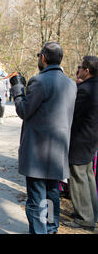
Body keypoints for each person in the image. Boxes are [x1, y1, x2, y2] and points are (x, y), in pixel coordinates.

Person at [10, 42, 77, 234]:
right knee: (51, 194)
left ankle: (41, 231)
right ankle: (50, 228)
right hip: (58, 151)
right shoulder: (71, 84)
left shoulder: (39, 81)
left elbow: (24, 110)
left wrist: (18, 89)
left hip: (38, 152)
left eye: (40, 55)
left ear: (44, 58)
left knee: (38, 199)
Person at [64, 55, 98, 231]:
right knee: (88, 175)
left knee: (78, 177)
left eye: (81, 67)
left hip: (80, 138)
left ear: (87, 70)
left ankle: (84, 218)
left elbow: (71, 111)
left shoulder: (84, 89)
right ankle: (92, 211)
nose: (78, 69)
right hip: (91, 138)